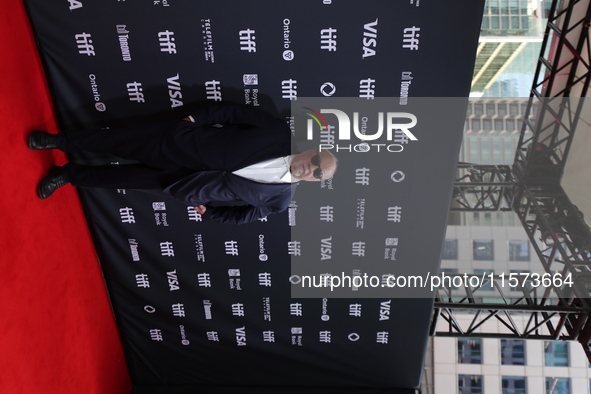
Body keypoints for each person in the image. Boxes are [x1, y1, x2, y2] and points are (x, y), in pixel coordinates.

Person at [29, 104, 337, 224]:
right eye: (315, 160)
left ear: (315, 181)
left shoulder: (280, 200)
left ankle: (66, 175)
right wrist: (195, 120)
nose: (311, 168)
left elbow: (243, 217)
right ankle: (59, 141)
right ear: (310, 150)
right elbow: (233, 114)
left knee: (116, 178)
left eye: (318, 172)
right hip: (181, 144)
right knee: (111, 142)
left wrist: (210, 211)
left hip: (184, 185)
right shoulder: (279, 133)